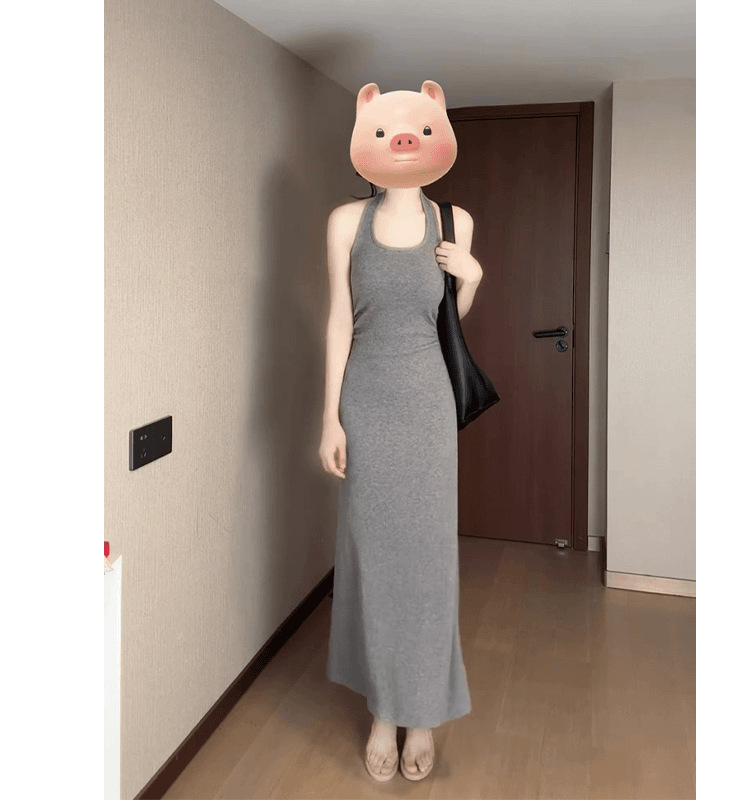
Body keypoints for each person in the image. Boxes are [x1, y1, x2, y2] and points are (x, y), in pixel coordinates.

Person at [318, 79, 484, 782]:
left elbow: (447, 323)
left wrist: (471, 277)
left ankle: (424, 713)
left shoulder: (454, 221)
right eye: (384, 131)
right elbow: (338, 320)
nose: (401, 141)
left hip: (428, 404)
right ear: (367, 138)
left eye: (413, 129)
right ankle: (384, 710)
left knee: (427, 561)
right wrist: (328, 416)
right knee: (372, 559)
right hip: (366, 402)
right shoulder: (344, 222)